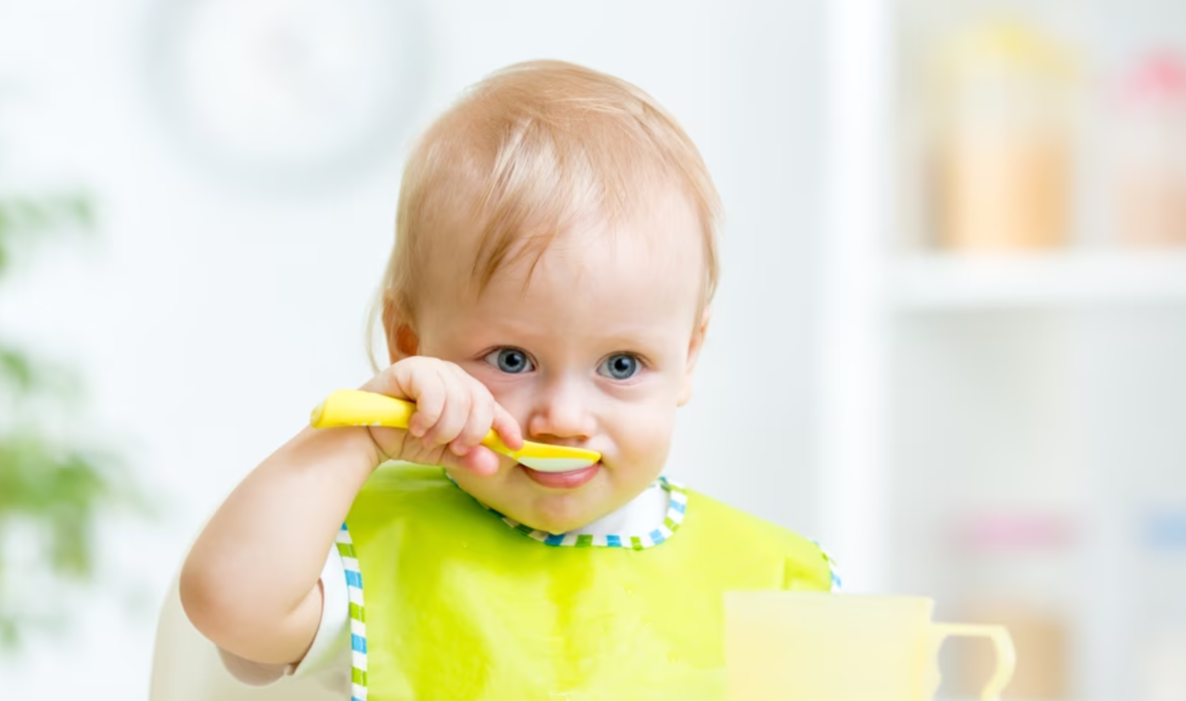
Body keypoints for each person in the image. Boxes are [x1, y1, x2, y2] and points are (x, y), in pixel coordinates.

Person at [174, 59, 837, 700]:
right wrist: (358, 440)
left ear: (688, 356)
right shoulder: (358, 542)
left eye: (622, 365)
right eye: (512, 359)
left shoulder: (766, 584)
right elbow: (227, 605)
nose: (565, 415)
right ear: (411, 343)